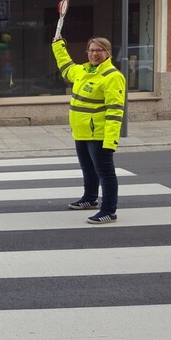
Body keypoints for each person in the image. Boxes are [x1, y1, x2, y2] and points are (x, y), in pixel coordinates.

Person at [52, 34, 126, 224]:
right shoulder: (82, 71)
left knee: (105, 172)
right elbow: (65, 66)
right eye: (91, 50)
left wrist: (111, 141)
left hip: (99, 134)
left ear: (108, 53)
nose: (94, 54)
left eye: (99, 50)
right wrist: (58, 44)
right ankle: (90, 198)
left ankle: (109, 210)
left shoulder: (113, 77)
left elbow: (115, 111)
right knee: (87, 168)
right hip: (81, 132)